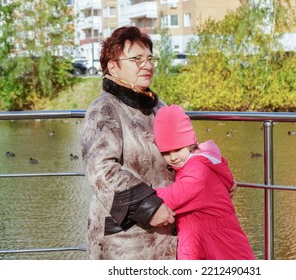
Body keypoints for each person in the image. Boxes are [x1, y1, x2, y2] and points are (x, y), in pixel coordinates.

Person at [80, 26, 177, 259]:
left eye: (150, 58)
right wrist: (148, 206)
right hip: (125, 242)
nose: (148, 65)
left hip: (168, 237)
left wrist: (212, 174)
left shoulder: (157, 106)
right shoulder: (104, 109)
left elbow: (184, 151)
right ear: (113, 66)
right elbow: (102, 171)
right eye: (136, 59)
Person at [153, 104, 255, 260]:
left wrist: (138, 194)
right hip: (215, 240)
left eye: (177, 149)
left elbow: (172, 197)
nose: (172, 157)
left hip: (215, 245)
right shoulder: (202, 161)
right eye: (166, 152)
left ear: (190, 144)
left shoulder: (198, 172)